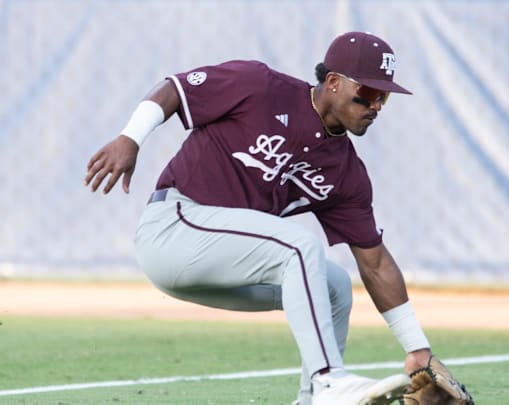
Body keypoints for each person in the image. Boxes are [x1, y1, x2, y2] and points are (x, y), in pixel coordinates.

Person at [85, 32, 435, 405]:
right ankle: (329, 381)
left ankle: (312, 399)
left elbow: (376, 263)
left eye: (384, 97)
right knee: (300, 247)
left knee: (335, 287)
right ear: (333, 82)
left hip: (224, 263)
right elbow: (174, 89)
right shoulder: (260, 86)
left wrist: (419, 350)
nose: (376, 105)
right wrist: (130, 138)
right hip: (174, 228)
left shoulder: (346, 173)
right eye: (367, 93)